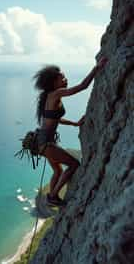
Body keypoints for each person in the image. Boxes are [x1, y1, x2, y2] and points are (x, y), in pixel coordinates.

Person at [33, 57, 108, 207]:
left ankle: (50, 197)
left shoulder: (49, 97)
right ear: (54, 83)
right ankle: (53, 196)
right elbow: (81, 87)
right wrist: (96, 68)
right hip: (46, 143)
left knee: (58, 171)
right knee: (74, 164)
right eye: (62, 78)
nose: (65, 80)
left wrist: (74, 124)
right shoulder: (56, 94)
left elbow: (55, 120)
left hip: (42, 142)